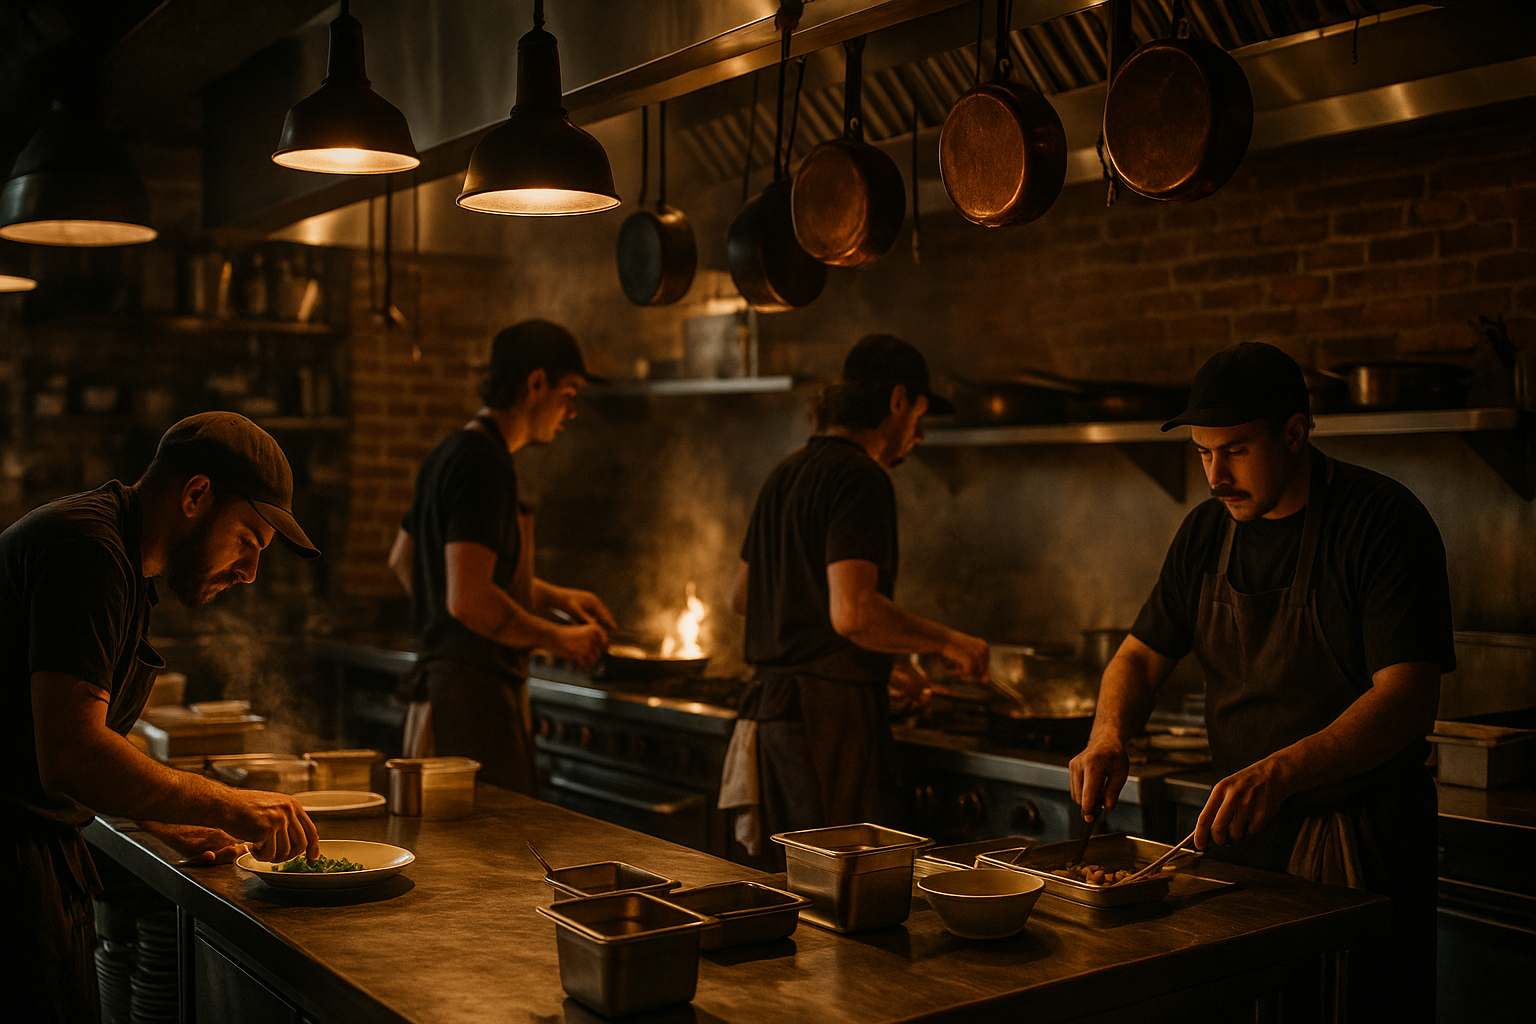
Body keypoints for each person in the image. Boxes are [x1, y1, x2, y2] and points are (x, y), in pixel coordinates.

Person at [1069, 342, 1452, 1021]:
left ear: (1295, 434)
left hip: (1358, 842)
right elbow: (1137, 656)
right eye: (1203, 453)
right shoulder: (1204, 534)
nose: (1216, 475)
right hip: (1241, 843)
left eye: (1236, 450)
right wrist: (1107, 735)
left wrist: (1281, 772)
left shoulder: (1381, 522)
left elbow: (1407, 698)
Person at [2, 412, 325, 1024]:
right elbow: (70, 753)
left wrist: (169, 821)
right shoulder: (87, 549)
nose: (251, 571)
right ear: (196, 495)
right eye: (246, 541)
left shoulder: (118, 557)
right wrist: (228, 804)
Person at [719, 335, 991, 858]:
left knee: (791, 891)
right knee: (839, 895)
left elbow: (746, 596)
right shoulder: (861, 477)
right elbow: (853, 612)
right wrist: (948, 641)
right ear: (896, 401)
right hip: (826, 728)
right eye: (919, 412)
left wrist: (877, 664)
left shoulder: (784, 473)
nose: (918, 434)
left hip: (771, 721)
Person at [389, 320, 614, 794]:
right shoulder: (484, 465)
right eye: (568, 393)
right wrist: (560, 639)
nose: (570, 411)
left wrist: (554, 597)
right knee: (480, 860)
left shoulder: (448, 453)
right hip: (468, 710)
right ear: (535, 384)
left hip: (439, 698)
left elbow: (406, 560)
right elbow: (468, 598)